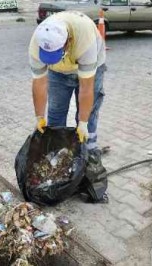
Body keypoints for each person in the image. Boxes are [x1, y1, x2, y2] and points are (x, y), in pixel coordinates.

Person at [29, 11, 108, 202]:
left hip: (91, 68)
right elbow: (39, 83)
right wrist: (39, 117)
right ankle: (58, 160)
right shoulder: (36, 43)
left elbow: (86, 89)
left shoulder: (85, 38)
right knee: (55, 113)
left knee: (88, 117)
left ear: (67, 41)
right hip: (58, 73)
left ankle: (89, 156)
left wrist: (82, 123)